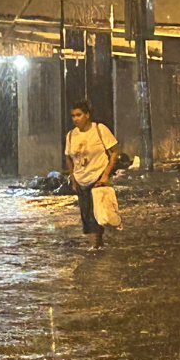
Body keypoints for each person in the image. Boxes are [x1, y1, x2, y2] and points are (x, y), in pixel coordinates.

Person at [64, 100, 120, 249]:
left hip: (98, 178)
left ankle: (94, 249)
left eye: (79, 115)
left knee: (98, 216)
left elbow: (115, 151)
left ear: (87, 115)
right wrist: (73, 178)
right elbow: (68, 157)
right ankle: (97, 246)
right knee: (87, 216)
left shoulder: (99, 130)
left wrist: (106, 175)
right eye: (73, 116)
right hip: (81, 179)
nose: (75, 119)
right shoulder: (71, 135)